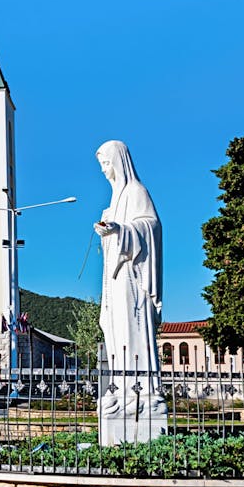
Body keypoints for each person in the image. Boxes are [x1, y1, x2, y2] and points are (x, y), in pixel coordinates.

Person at [93, 140, 167, 444]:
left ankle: (141, 392)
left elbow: (151, 227)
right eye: (102, 167)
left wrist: (120, 231)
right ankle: (122, 390)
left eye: (107, 164)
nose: (105, 171)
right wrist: (108, 230)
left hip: (132, 280)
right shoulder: (114, 200)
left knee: (131, 333)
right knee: (115, 334)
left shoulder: (137, 193)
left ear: (120, 162)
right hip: (114, 280)